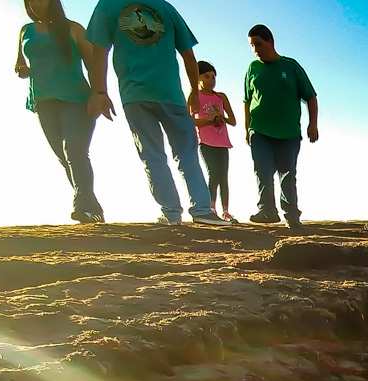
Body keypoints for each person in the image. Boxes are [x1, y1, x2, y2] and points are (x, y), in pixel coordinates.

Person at [86, 0, 228, 226]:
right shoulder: (165, 7)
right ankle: (202, 210)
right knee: (187, 152)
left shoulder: (108, 5)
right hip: (170, 93)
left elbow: (99, 52)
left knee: (152, 155)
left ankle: (171, 213)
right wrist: (194, 91)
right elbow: (188, 55)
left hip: (135, 95)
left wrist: (100, 91)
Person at [16, 0, 106, 225]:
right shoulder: (25, 31)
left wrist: (99, 94)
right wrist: (23, 70)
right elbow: (22, 63)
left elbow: (93, 64)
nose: (35, 3)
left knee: (74, 151)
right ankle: (92, 210)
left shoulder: (73, 29)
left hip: (76, 100)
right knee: (65, 158)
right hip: (43, 102)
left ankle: (82, 206)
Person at [244, 24, 319, 228]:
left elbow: (311, 97)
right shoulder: (252, 68)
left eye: (258, 44)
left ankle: (291, 215)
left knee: (287, 173)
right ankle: (267, 210)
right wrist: (247, 128)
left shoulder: (290, 66)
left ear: (270, 42)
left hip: (288, 133)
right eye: (252, 45)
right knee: (262, 170)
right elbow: (247, 100)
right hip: (259, 130)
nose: (255, 49)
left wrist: (313, 124)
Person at [194, 60, 237, 223]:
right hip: (206, 142)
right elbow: (190, 120)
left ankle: (226, 211)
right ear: (198, 77)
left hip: (223, 142)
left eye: (213, 77)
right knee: (213, 174)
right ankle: (211, 208)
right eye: (207, 76)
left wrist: (221, 118)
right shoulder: (195, 96)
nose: (211, 80)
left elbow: (233, 120)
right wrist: (210, 120)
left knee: (223, 176)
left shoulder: (221, 97)